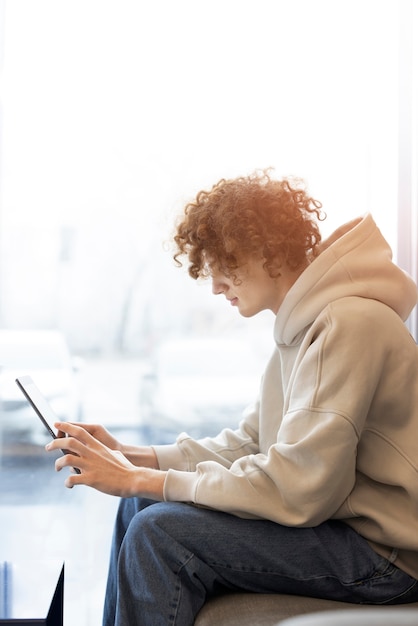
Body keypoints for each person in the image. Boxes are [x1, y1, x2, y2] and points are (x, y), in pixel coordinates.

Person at [47, 170, 418, 626]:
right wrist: (132, 458)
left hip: (386, 557)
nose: (216, 285)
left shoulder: (347, 324)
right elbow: (251, 443)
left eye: (224, 262)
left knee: (157, 532)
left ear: (266, 249)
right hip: (345, 533)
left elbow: (301, 487)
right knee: (137, 505)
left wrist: (144, 479)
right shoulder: (305, 332)